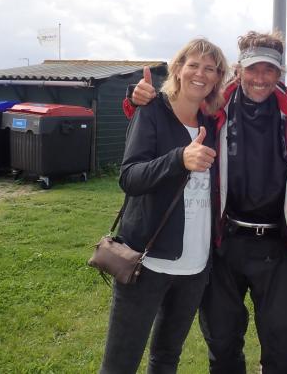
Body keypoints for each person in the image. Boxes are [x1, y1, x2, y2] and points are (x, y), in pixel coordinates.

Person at [124, 31, 287, 374]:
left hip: (275, 245)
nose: (260, 79)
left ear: (279, 75)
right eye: (253, 69)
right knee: (223, 340)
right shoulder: (215, 108)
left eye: (269, 71)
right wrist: (135, 99)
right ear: (239, 69)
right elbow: (173, 107)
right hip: (225, 243)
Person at [101, 37, 229, 374]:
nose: (200, 74)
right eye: (194, 65)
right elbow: (129, 177)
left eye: (210, 69)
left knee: (166, 357)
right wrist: (179, 159)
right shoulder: (153, 111)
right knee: (120, 363)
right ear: (178, 68)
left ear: (217, 79)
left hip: (195, 268)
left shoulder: (212, 123)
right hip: (147, 263)